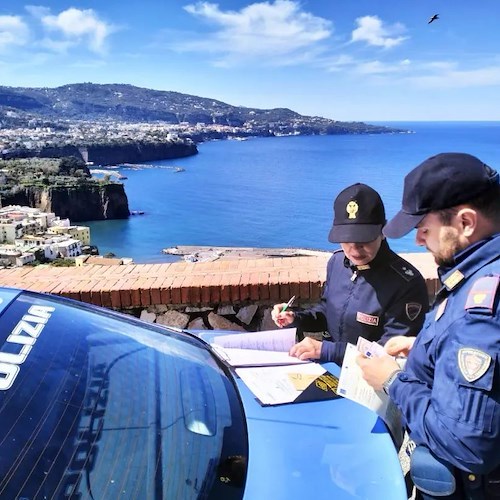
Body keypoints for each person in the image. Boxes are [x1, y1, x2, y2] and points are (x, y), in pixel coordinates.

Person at [356, 153, 500, 499]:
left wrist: (392, 381)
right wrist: (424, 346)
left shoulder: (483, 306)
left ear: (466, 222)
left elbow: (467, 442)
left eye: (425, 228)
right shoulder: (479, 275)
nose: (419, 240)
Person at [271, 182, 429, 366]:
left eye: (363, 239)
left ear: (383, 231)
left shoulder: (406, 284)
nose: (354, 249)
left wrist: (328, 350)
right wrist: (296, 317)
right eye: (346, 239)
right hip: (330, 370)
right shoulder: (337, 263)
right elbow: (326, 311)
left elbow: (393, 353)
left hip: (371, 384)